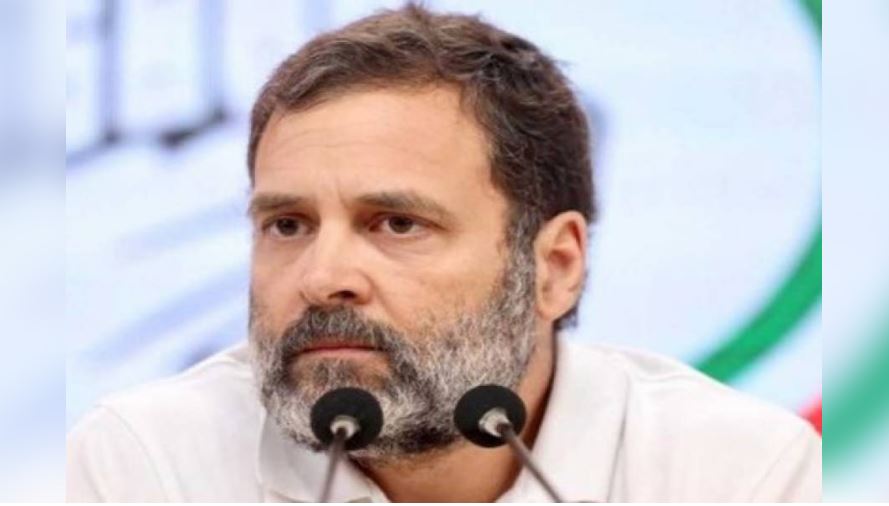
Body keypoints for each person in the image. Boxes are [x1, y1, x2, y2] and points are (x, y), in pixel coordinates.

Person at [67, 4, 821, 502]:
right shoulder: (152, 463)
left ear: (555, 267)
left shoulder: (737, 474)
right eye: (287, 225)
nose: (322, 278)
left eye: (397, 224)